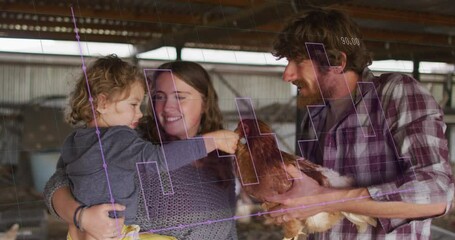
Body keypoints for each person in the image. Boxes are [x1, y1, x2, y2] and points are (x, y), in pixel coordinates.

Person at [266, 9, 454, 239]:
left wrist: (322, 198)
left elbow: (437, 194)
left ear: (338, 62)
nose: (287, 74)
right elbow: (315, 199)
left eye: (298, 61)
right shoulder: (314, 116)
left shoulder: (395, 93)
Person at [44, 59, 239, 240]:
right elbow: (58, 184)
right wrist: (81, 216)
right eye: (158, 97)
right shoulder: (128, 140)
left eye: (180, 97)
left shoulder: (221, 158)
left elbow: (229, 227)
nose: (168, 107)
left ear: (205, 103)